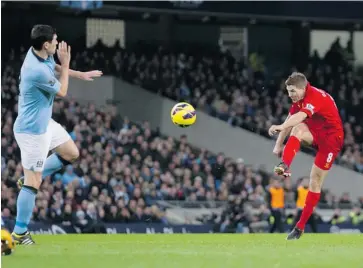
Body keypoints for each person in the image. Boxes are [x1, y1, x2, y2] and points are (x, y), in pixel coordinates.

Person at [12, 24, 102, 245]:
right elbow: (62, 91)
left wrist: (79, 73)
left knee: (71, 153)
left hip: (44, 124)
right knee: (34, 184)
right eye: (54, 40)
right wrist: (67, 62)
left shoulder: (39, 55)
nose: (57, 42)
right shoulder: (35, 69)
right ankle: (19, 232)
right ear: (45, 45)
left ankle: (28, 178)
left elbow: (55, 69)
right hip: (32, 131)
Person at [268, 72, 344, 240]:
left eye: (293, 91)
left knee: (315, 181)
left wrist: (280, 126)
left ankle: (300, 227)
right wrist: (278, 145)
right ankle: (285, 164)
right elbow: (291, 119)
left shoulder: (315, 96)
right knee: (297, 129)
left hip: (331, 140)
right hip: (315, 133)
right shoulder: (299, 99)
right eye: (288, 91)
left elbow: (300, 116)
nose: (290, 95)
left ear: (303, 88)